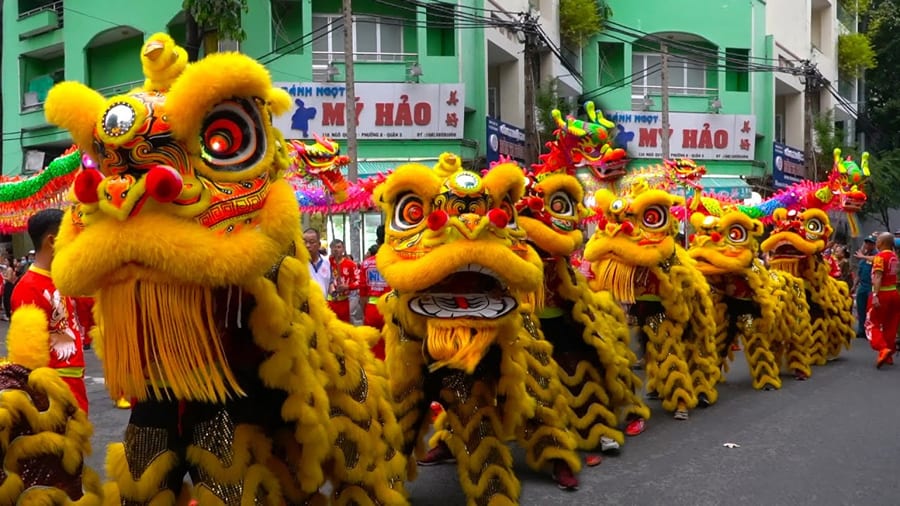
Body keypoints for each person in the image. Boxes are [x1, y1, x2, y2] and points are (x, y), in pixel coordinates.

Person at [10, 209, 89, 414]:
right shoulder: (27, 288)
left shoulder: (63, 280)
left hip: (74, 382)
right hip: (55, 390)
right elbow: (27, 360)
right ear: (52, 241)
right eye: (71, 235)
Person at [865, 232, 900, 369]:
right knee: (890, 324)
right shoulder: (894, 257)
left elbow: (878, 277)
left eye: (878, 239)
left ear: (882, 242)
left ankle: (882, 348)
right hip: (894, 293)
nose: (876, 242)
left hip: (883, 294)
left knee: (871, 323)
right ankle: (889, 355)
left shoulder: (880, 257)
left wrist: (875, 295)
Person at [358, 225, 390, 358]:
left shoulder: (366, 264)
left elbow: (363, 292)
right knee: (392, 346)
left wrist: (365, 311)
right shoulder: (394, 263)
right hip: (390, 309)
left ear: (377, 242)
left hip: (371, 309)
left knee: (374, 348)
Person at [327, 239, 359, 323]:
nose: (336, 249)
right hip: (329, 301)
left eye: (339, 247)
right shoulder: (326, 263)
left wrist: (348, 286)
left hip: (343, 302)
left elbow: (359, 281)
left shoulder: (351, 264)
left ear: (343, 249)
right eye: (333, 247)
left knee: (344, 327)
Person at [854, 234, 878, 339]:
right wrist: (854, 286)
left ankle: (870, 331)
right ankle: (861, 330)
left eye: (870, 243)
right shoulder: (863, 256)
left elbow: (876, 260)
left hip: (871, 287)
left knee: (870, 311)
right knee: (861, 309)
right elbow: (859, 273)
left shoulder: (876, 255)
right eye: (867, 242)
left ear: (874, 244)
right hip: (862, 286)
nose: (868, 245)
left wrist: (863, 256)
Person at [304, 228, 331, 298]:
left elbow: (330, 283)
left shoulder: (327, 262)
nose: (307, 245)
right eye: (304, 242)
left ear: (319, 245)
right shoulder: (299, 263)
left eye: (311, 242)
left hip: (323, 305)